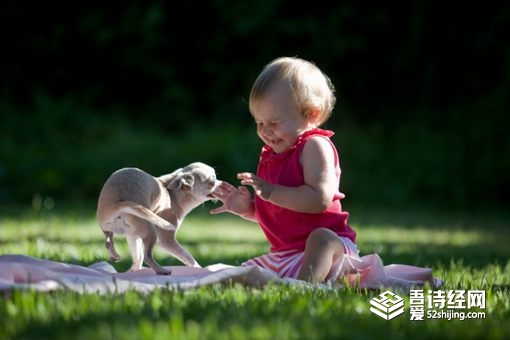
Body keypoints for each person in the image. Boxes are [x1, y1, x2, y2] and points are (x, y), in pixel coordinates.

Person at [210, 56, 358, 284]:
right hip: (288, 256)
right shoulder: (271, 155)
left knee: (321, 239)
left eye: (274, 122)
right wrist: (248, 209)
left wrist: (270, 192)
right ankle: (299, 281)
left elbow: (319, 199)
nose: (266, 131)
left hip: (332, 253)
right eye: (259, 123)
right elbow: (281, 213)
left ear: (312, 114)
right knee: (236, 278)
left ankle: (304, 287)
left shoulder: (314, 146)